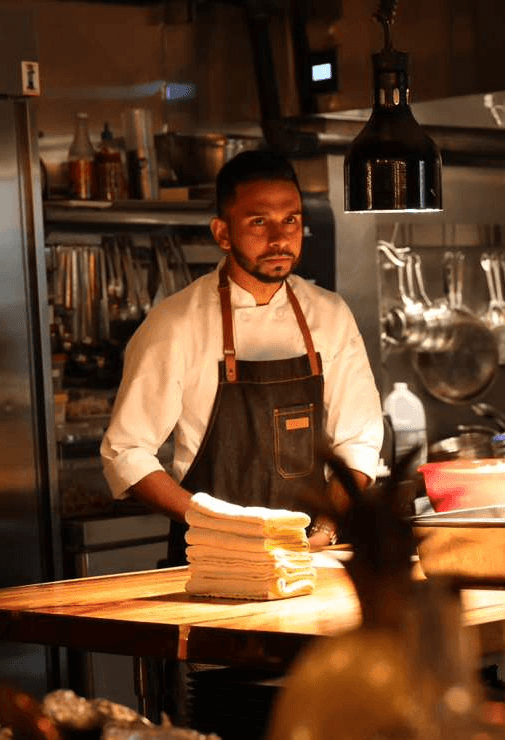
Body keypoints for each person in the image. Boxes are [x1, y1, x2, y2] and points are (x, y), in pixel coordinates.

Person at [100, 149, 383, 564]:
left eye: (291, 220)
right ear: (222, 233)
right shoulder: (175, 323)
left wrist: (325, 528)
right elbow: (125, 452)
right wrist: (213, 522)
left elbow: (357, 442)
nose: (279, 238)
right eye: (258, 221)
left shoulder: (330, 315)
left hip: (311, 558)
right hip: (209, 558)